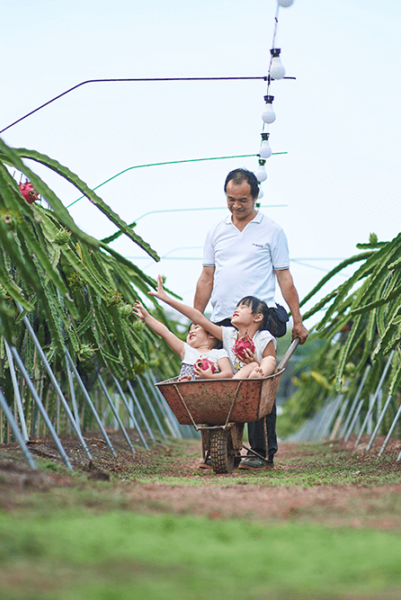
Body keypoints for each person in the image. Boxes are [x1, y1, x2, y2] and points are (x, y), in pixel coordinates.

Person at [193, 168, 309, 469]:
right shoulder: (216, 230)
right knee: (218, 382)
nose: (236, 205)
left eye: (242, 200)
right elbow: (207, 278)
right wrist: (197, 319)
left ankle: (260, 452)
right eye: (231, 199)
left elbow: (284, 278)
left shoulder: (271, 230)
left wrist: (298, 320)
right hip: (222, 320)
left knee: (259, 383)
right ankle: (216, 450)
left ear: (255, 197)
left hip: (259, 321)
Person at [148, 276, 278, 380]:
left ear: (257, 317)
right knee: (252, 366)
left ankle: (256, 378)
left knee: (268, 361)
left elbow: (274, 371)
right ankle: (240, 382)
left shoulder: (263, 338)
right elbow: (199, 318)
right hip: (236, 383)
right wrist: (167, 299)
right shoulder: (229, 335)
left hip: (257, 383)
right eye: (237, 307)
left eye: (243, 307)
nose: (237, 310)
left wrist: (254, 363)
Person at [132, 300, 232, 380]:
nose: (191, 332)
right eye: (189, 331)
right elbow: (165, 333)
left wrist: (210, 377)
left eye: (196, 328)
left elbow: (228, 373)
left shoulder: (219, 354)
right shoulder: (186, 350)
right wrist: (147, 317)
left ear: (212, 335)